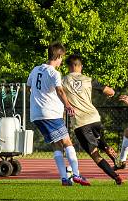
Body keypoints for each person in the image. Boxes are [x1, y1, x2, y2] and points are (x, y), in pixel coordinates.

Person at [27, 42, 90, 186]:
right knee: (67, 142)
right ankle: (76, 174)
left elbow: (28, 87)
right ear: (59, 56)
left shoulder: (36, 69)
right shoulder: (54, 72)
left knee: (57, 145)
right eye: (62, 58)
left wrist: (39, 98)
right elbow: (60, 90)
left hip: (36, 115)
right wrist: (68, 105)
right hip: (50, 114)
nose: (62, 61)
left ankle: (64, 178)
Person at [62, 54, 123, 185]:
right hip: (94, 118)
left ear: (69, 66)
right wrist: (110, 94)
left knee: (95, 155)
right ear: (80, 66)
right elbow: (110, 91)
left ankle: (116, 177)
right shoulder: (88, 79)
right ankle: (116, 158)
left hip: (80, 123)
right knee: (101, 142)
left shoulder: (63, 81)